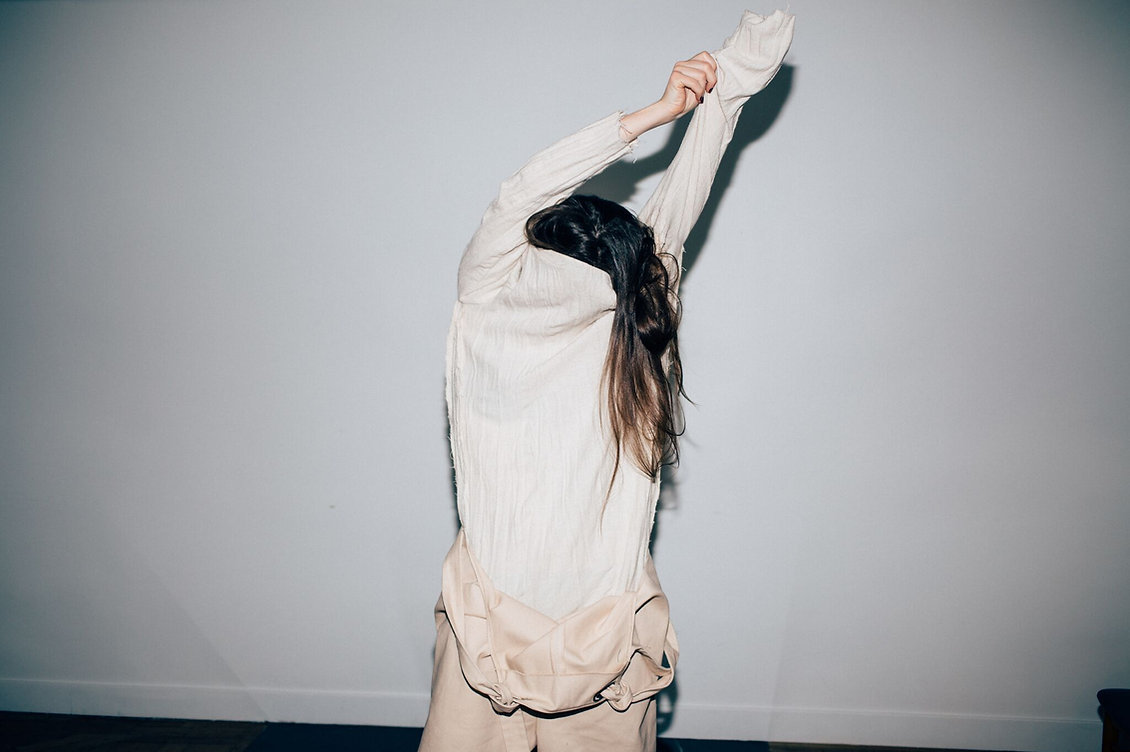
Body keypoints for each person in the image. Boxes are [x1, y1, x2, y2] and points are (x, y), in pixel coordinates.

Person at [419, 10, 795, 752]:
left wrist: (656, 114)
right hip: (603, 628)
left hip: (491, 622)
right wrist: (721, 96)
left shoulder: (489, 299)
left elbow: (517, 194)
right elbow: (684, 195)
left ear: (540, 246)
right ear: (622, 259)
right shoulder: (635, 300)